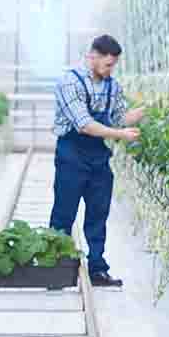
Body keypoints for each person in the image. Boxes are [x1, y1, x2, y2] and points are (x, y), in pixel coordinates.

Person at [49, 35, 145, 287]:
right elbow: (84, 125)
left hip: (98, 158)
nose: (110, 70)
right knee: (64, 213)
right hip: (71, 155)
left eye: (113, 65)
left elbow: (115, 118)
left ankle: (97, 269)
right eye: (107, 65)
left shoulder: (112, 86)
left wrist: (130, 118)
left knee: (98, 213)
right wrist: (120, 134)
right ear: (92, 56)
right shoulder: (69, 82)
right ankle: (57, 269)